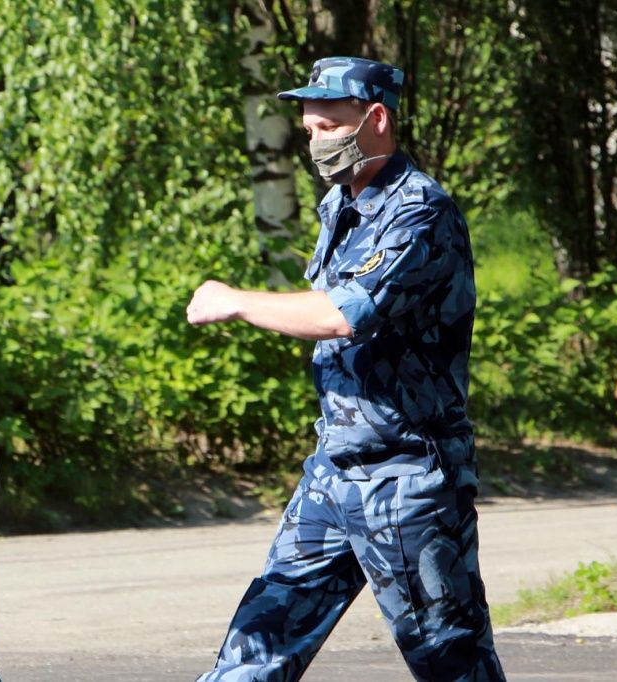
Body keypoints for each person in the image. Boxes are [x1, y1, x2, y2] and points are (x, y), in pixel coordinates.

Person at [186, 57, 505, 681]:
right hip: (333, 473)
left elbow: (343, 314)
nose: (316, 142)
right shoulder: (341, 204)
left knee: (452, 661)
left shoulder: (421, 211)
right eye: (309, 130)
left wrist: (237, 300)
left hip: (407, 477)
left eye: (329, 126)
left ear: (375, 118)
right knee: (258, 646)